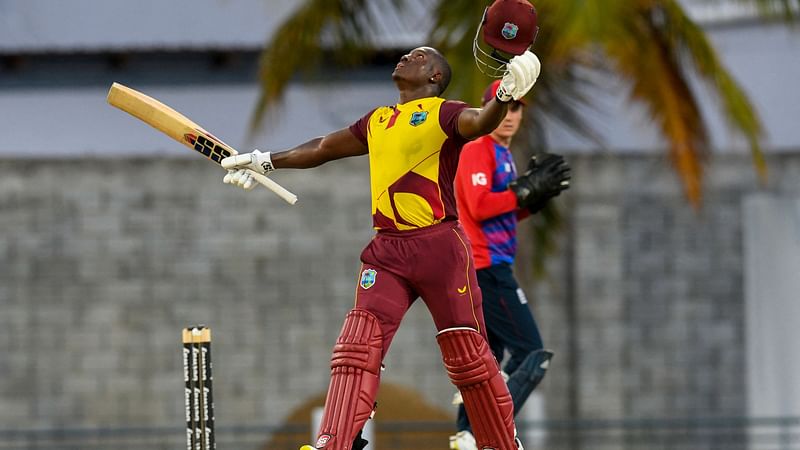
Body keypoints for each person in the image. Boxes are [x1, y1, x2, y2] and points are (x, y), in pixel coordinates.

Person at [448, 80, 571, 450]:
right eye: (503, 107)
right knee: (531, 351)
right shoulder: (478, 148)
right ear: (489, 109)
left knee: (489, 358)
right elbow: (481, 206)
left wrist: (533, 201)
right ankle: (487, 428)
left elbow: (501, 215)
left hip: (493, 263)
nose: (510, 115)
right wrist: (523, 190)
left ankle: (466, 434)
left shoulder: (503, 154)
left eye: (516, 108)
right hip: (485, 266)